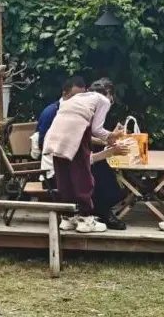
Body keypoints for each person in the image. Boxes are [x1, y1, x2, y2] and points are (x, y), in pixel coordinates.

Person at [42, 77, 124, 234]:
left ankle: (68, 218)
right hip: (74, 137)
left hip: (56, 135)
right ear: (108, 93)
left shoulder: (78, 98)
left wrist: (108, 137)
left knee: (64, 178)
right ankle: (86, 219)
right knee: (83, 177)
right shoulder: (103, 100)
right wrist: (113, 136)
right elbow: (97, 130)